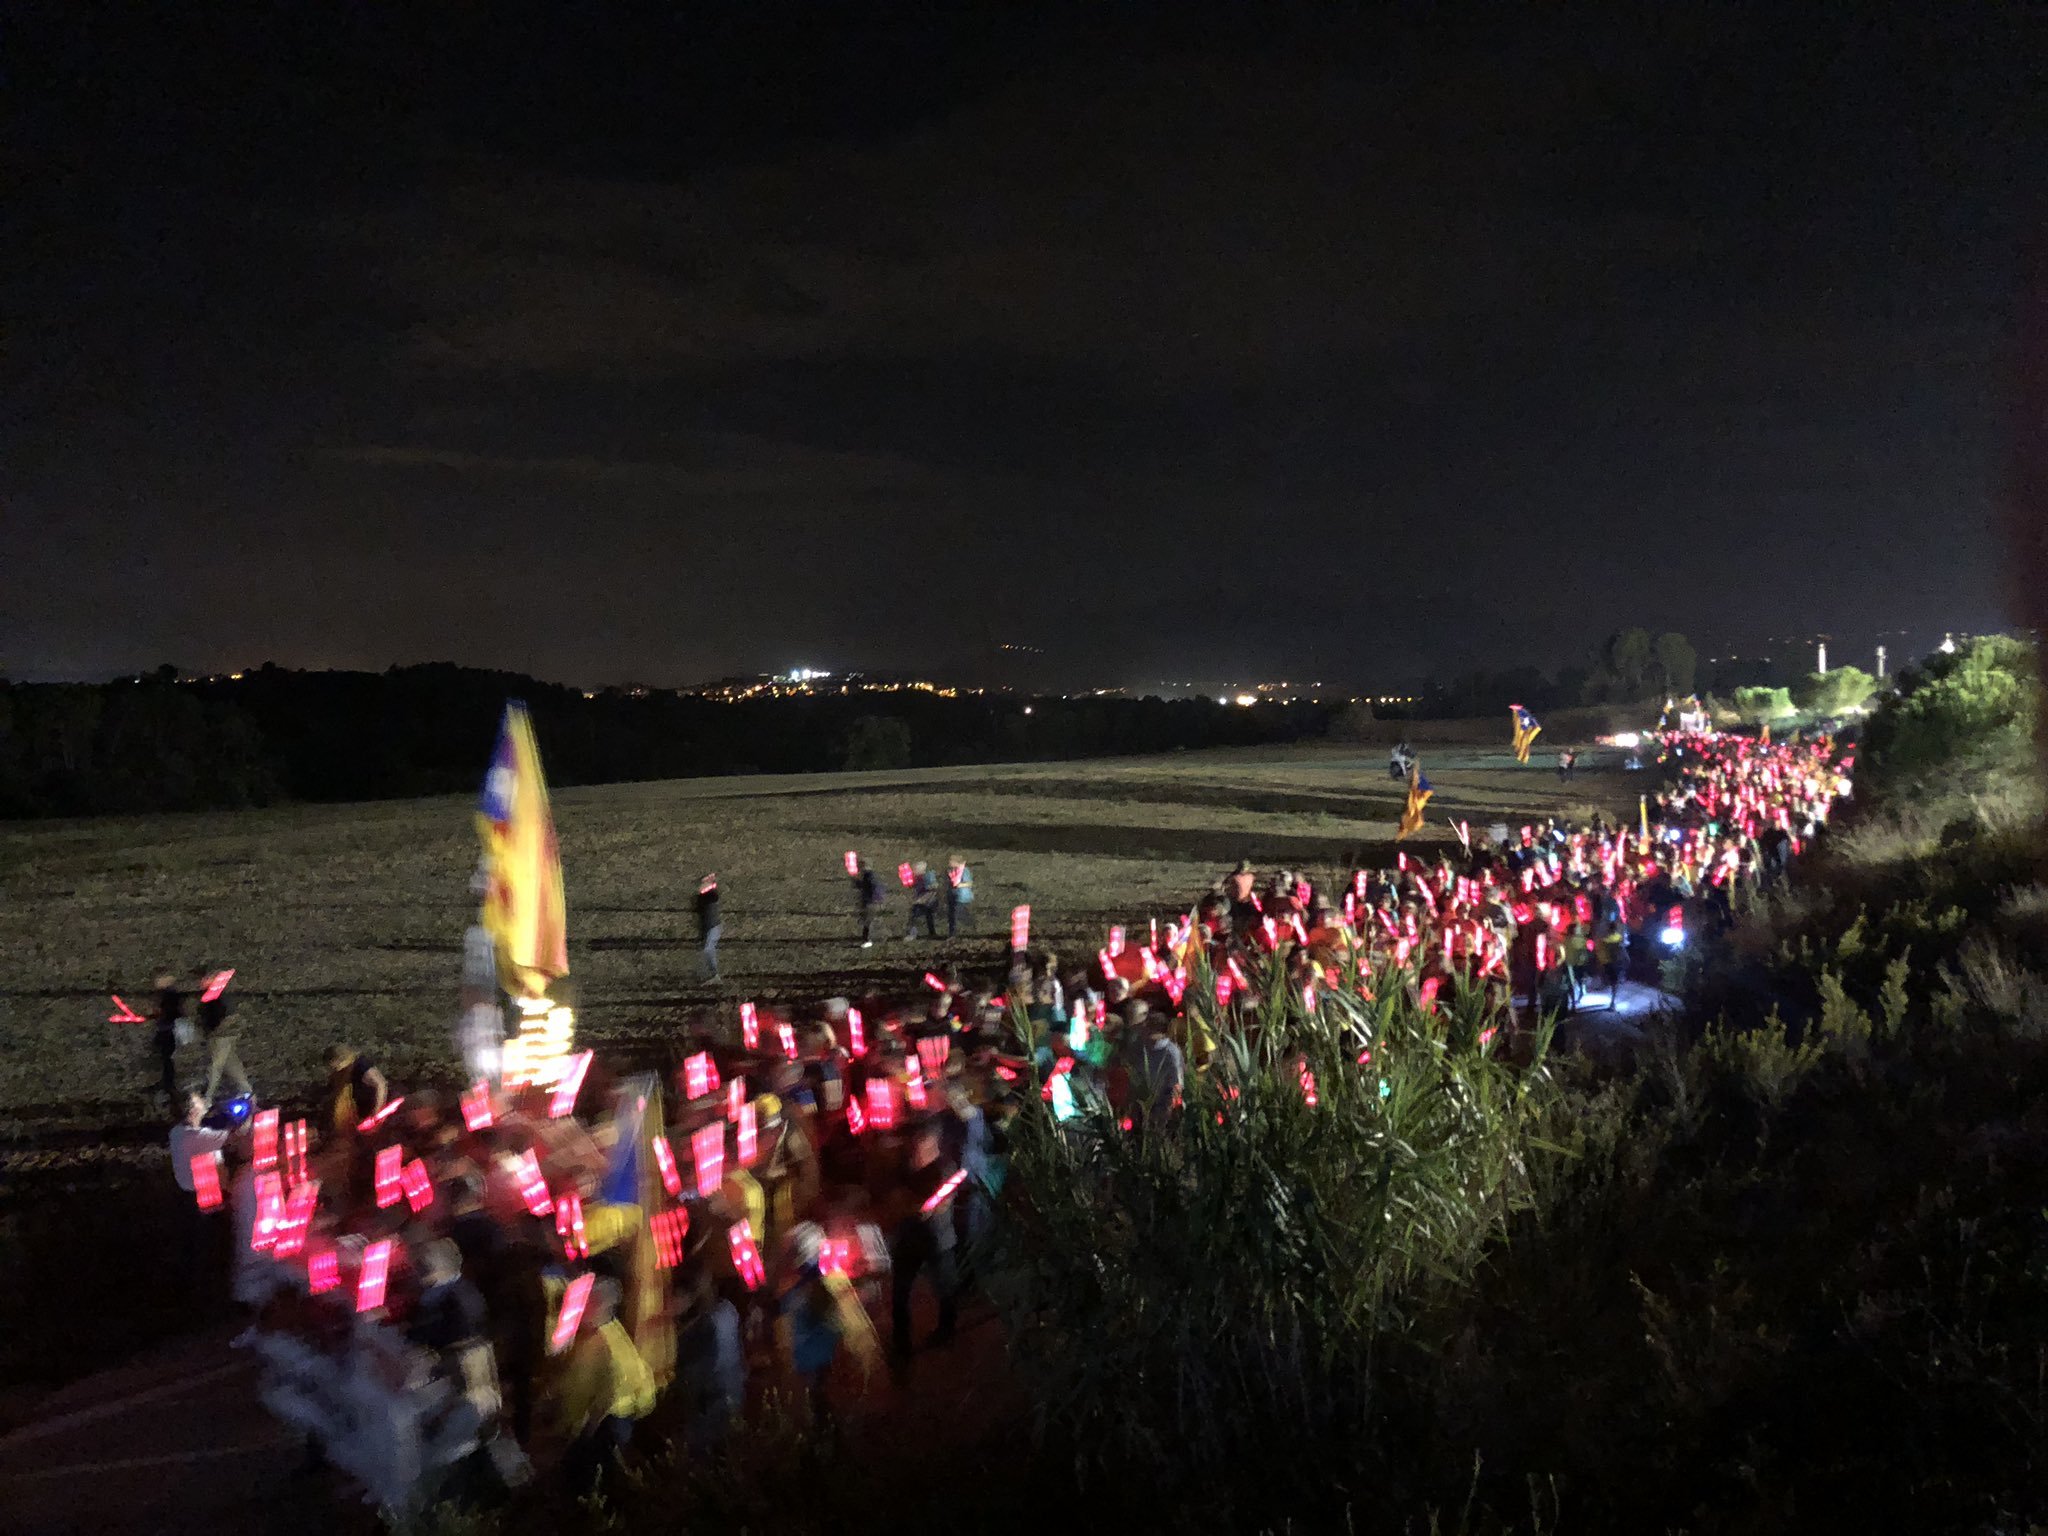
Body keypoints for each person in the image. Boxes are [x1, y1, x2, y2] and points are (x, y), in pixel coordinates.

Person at [555, 1277, 657, 1496]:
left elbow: (588, 1393)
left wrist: (573, 1428)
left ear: (596, 1306)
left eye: (585, 1305)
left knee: (588, 1479)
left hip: (604, 1423)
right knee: (609, 1477)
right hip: (622, 1418)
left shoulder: (596, 1344)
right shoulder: (614, 1330)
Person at [889, 1117, 959, 1371]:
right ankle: (901, 1344)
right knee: (900, 1293)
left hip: (937, 1239)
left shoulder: (945, 1168)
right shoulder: (905, 1164)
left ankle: (947, 1330)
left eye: (924, 1142)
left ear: (935, 1142)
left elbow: (945, 1199)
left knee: (945, 1288)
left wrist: (934, 1207)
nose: (918, 1148)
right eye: (916, 1142)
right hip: (909, 1238)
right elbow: (895, 1194)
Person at [169, 1091, 231, 1290]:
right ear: (194, 1110)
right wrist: (239, 1113)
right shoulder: (195, 1137)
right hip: (204, 1201)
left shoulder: (177, 1132)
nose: (205, 1103)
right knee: (209, 1248)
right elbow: (232, 1136)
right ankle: (209, 1290)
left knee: (195, 1249)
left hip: (188, 1200)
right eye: (200, 1102)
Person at [197, 985, 253, 1104]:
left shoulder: (219, 995)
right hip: (221, 1035)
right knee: (231, 1063)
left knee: (216, 1065)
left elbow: (228, 1017)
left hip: (221, 1036)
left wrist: (216, 1031)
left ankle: (208, 1098)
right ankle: (246, 1091)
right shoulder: (217, 995)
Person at [324, 1044, 389, 1137]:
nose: (333, 1068)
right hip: (362, 1117)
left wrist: (377, 1113)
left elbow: (381, 1084)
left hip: (375, 1115)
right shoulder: (345, 1071)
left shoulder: (360, 1065)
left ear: (338, 1059)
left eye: (333, 1065)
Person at [151, 970, 187, 1101]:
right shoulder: (170, 996)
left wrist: (160, 1015)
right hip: (167, 1029)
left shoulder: (170, 996)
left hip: (168, 1030)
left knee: (167, 1058)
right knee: (166, 1058)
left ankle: (169, 1084)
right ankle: (167, 1083)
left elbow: (171, 1013)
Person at [694, 873, 723, 981]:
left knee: (708, 949)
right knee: (707, 949)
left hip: (713, 926)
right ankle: (711, 974)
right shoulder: (707, 896)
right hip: (710, 927)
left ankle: (714, 974)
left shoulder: (710, 896)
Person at [852, 856, 885, 948]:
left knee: (868, 922)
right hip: (869, 902)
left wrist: (875, 900)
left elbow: (872, 888)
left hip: (871, 902)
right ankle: (871, 938)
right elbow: (863, 886)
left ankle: (868, 940)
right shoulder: (867, 875)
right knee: (867, 921)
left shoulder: (869, 876)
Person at [904, 860, 941, 941]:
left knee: (914, 917)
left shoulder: (926, 877)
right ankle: (932, 933)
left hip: (925, 901)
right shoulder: (918, 878)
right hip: (925, 901)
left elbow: (931, 889)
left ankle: (913, 934)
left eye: (915, 869)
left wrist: (920, 900)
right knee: (928, 917)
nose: (913, 871)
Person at [945, 856, 974, 937]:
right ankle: (952, 933)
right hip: (952, 896)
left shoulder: (964, 871)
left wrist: (958, 885)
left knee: (957, 915)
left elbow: (969, 883)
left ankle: (968, 930)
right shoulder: (951, 871)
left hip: (961, 897)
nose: (949, 863)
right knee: (951, 916)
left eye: (951, 861)